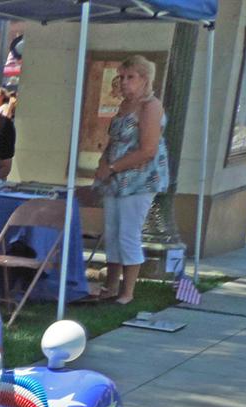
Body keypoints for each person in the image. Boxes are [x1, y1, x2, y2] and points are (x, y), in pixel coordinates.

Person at [93, 54, 169, 304]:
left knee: (128, 232)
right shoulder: (124, 105)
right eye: (122, 77)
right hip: (115, 179)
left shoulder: (151, 106)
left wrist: (113, 167)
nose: (125, 82)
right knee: (112, 231)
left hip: (139, 179)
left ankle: (128, 291)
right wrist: (104, 164)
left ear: (144, 79)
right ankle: (111, 285)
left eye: (130, 77)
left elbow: (147, 149)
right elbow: (115, 141)